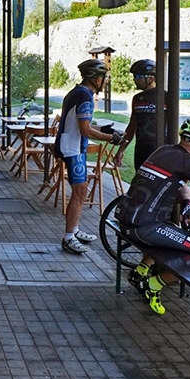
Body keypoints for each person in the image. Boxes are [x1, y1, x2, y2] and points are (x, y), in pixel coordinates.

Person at [114, 118, 190, 315]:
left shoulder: (164, 150)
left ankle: (141, 270)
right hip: (144, 227)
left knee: (170, 228)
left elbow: (180, 185)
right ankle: (153, 284)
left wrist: (187, 200)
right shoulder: (189, 162)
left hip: (125, 219)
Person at [54, 59, 123, 255]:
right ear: (96, 78)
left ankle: (73, 230)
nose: (106, 82)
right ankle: (68, 237)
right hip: (74, 149)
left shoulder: (78, 92)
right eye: (104, 78)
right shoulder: (85, 97)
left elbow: (81, 125)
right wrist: (111, 138)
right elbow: (85, 130)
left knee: (80, 192)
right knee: (79, 193)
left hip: (71, 145)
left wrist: (104, 129)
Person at [115, 59, 166, 172]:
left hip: (161, 150)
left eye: (138, 76)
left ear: (151, 78)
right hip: (141, 150)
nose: (134, 79)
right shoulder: (137, 99)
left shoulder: (165, 97)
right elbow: (132, 126)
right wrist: (121, 150)